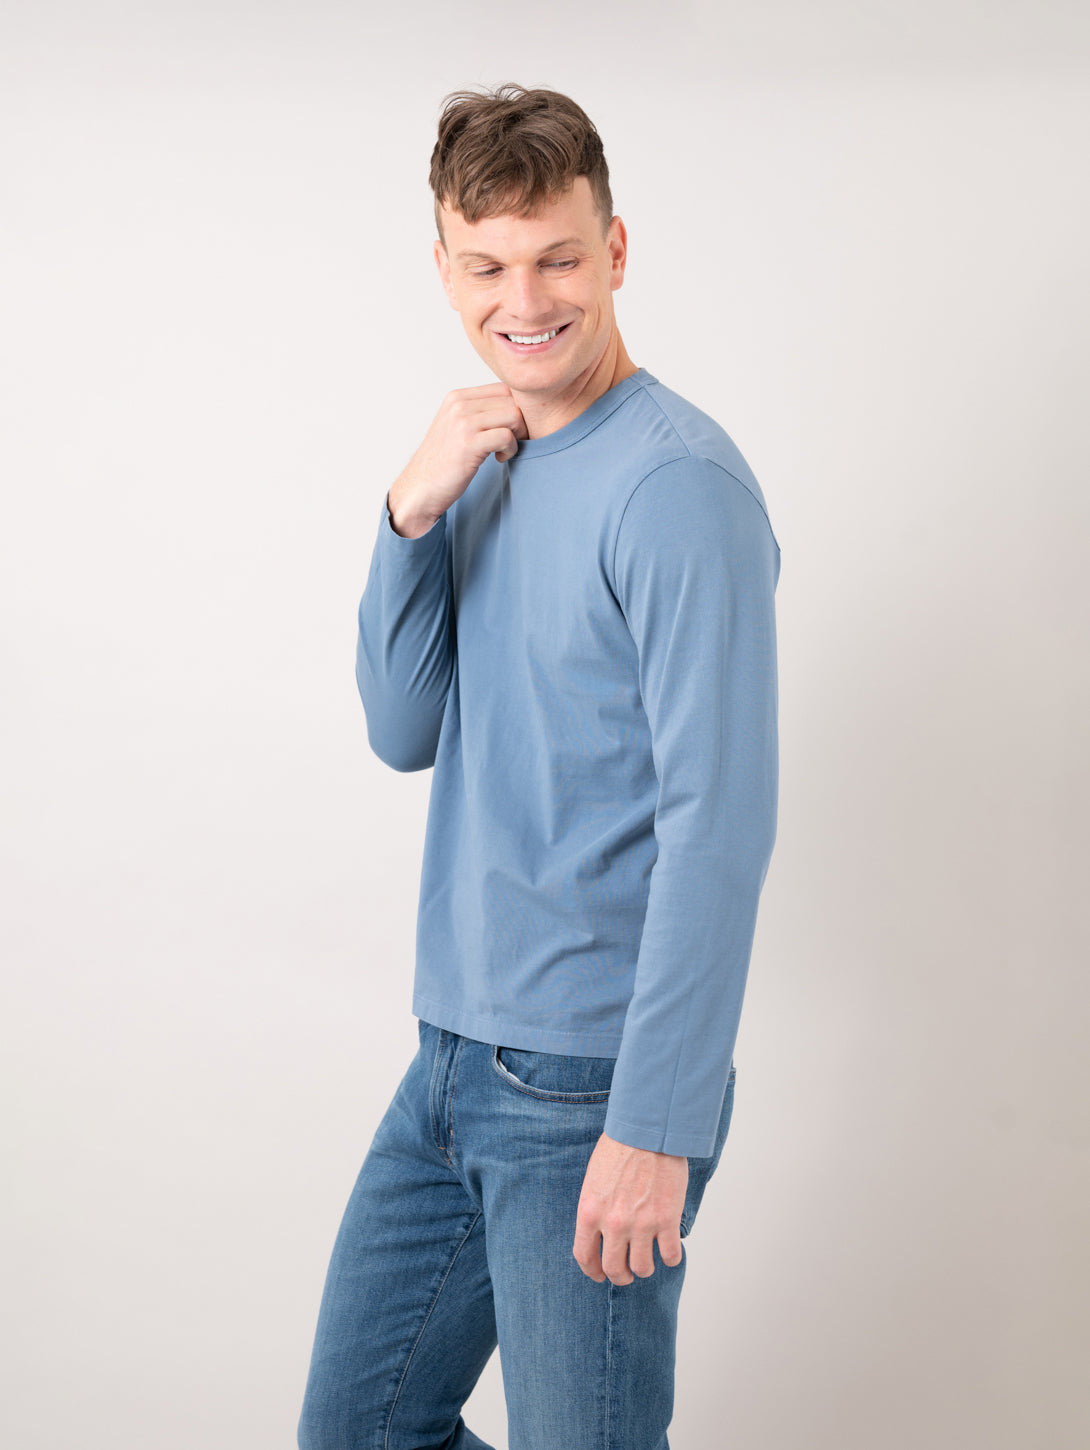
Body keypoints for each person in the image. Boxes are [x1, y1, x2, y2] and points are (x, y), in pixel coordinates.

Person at [298, 84, 780, 1450]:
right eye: (488, 266)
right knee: (358, 1429)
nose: (525, 300)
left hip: (590, 1085)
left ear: (613, 251)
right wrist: (408, 512)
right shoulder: (483, 466)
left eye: (558, 258)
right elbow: (403, 728)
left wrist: (656, 1122)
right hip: (452, 1055)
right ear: (444, 269)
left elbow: (720, 823)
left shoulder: (676, 488)